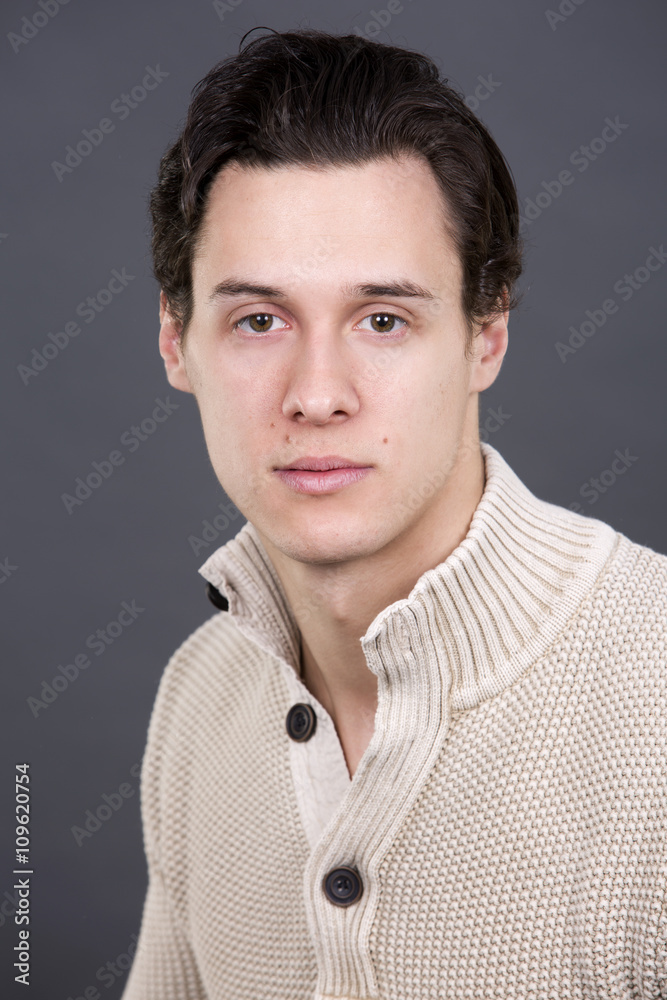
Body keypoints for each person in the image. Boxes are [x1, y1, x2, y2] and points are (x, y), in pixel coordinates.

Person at [122, 27, 667, 1000]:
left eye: (383, 319)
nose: (316, 394)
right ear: (176, 341)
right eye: (259, 320)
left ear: (485, 335)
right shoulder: (200, 697)